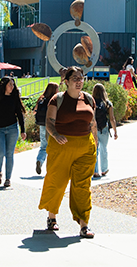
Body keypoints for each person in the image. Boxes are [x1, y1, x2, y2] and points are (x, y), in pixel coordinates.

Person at [39, 66, 98, 239]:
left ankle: (84, 224)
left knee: (82, 187)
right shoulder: (57, 100)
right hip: (61, 146)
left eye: (81, 78)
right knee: (57, 183)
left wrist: (95, 145)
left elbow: (92, 123)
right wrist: (55, 135)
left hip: (85, 147)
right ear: (66, 81)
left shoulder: (88, 99)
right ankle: (52, 217)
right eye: (75, 79)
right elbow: (49, 122)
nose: (79, 81)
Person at [0, 76, 27, 188]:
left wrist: (23, 130)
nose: (12, 87)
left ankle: (8, 178)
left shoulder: (14, 98)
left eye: (13, 85)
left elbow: (20, 114)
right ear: (4, 85)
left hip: (12, 129)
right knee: (0, 153)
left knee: (9, 154)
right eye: (10, 84)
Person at [92, 82, 119, 179]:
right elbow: (112, 118)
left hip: (93, 129)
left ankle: (95, 171)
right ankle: (104, 169)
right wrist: (115, 131)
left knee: (95, 150)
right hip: (103, 128)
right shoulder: (108, 103)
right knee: (104, 149)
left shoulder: (91, 102)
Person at [33, 82, 59, 175]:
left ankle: (39, 160)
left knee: (44, 146)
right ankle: (52, 167)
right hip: (52, 125)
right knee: (54, 146)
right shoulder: (54, 100)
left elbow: (35, 111)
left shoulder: (41, 99)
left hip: (42, 124)